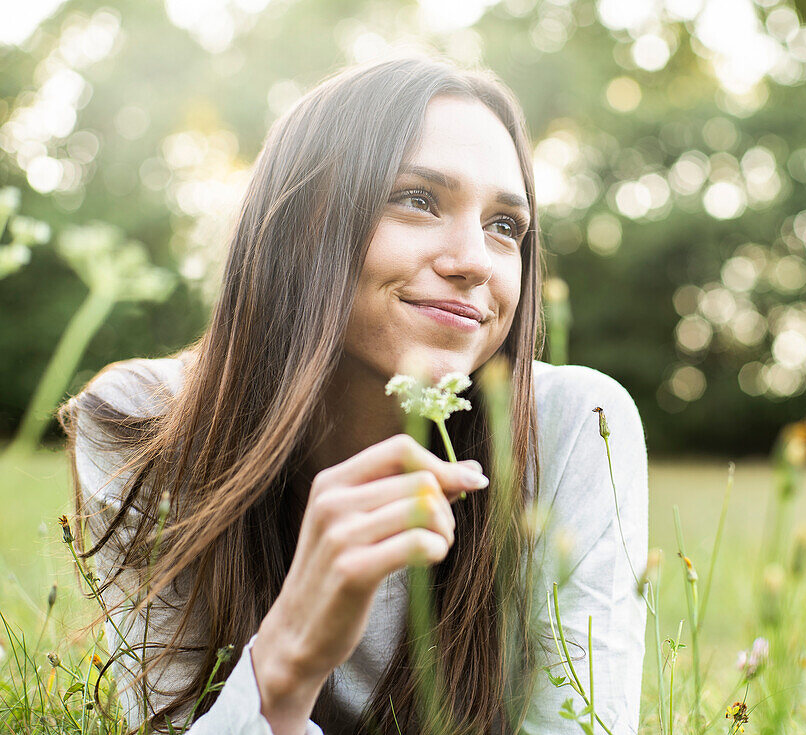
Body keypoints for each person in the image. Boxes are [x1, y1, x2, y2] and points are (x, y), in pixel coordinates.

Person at [60, 55, 648, 735]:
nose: (475, 261)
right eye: (418, 200)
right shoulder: (144, 423)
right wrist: (283, 666)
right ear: (302, 223)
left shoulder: (575, 426)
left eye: (504, 226)